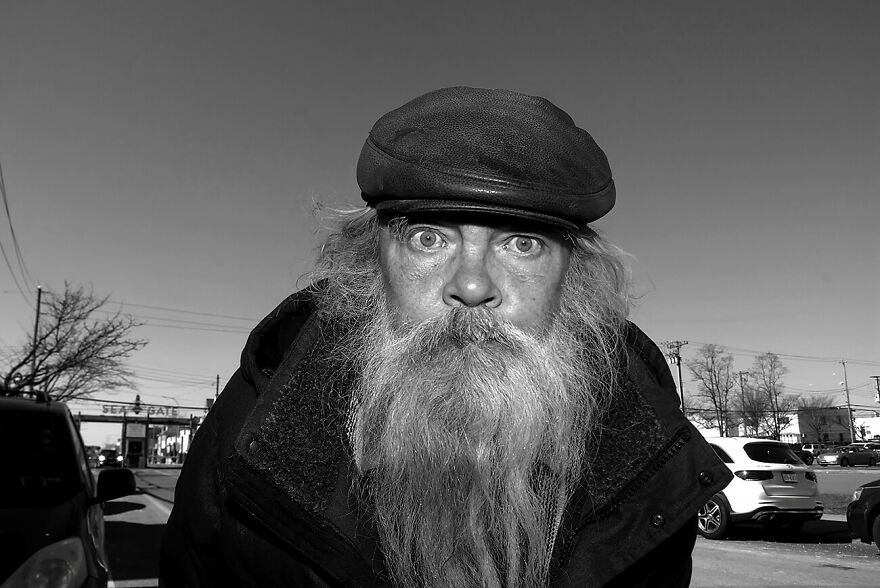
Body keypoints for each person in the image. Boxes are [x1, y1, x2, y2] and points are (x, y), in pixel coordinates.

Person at [160, 86, 731, 587]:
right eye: (429, 238)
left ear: (572, 276)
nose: (472, 285)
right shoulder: (257, 426)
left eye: (523, 244)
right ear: (370, 263)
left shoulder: (644, 451)